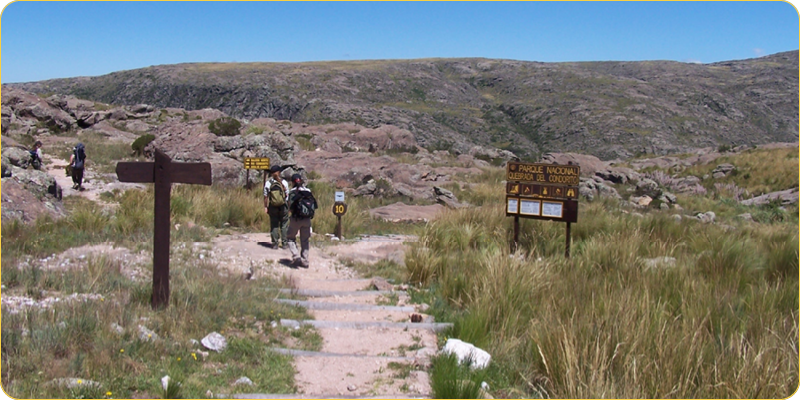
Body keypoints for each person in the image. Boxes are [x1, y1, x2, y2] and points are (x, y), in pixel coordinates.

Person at [286, 173, 317, 268]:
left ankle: (296, 256)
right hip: (307, 219)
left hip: (295, 219)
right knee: (305, 240)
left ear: (292, 182)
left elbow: (289, 207)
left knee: (290, 238)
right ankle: (305, 261)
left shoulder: (292, 192)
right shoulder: (307, 191)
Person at [264, 165, 290, 249]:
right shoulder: (284, 182)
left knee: (274, 224)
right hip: (283, 206)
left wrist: (265, 206)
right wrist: (288, 207)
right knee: (284, 225)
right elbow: (287, 196)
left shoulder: (268, 183)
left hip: (273, 206)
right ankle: (284, 244)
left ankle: (275, 243)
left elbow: (265, 196)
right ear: (279, 172)